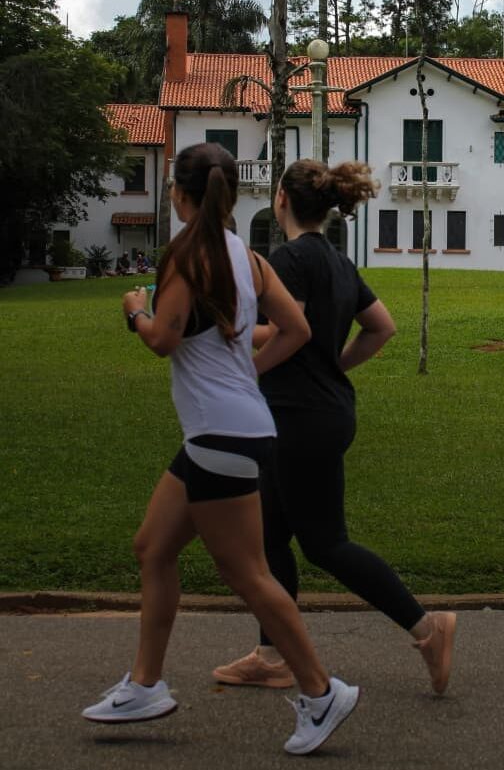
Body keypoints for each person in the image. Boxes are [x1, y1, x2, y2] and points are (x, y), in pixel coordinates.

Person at [81, 143, 359, 756]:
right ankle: (144, 685)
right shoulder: (246, 257)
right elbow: (297, 330)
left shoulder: (186, 254)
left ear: (179, 194)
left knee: (249, 574)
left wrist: (134, 312)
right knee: (153, 547)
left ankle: (321, 692)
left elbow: (163, 339)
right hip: (233, 430)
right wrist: (246, 373)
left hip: (220, 435)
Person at [212, 159, 456, 696]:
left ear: (281, 199)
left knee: (325, 544)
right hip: (315, 411)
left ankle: (427, 628)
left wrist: (233, 337)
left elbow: (288, 328)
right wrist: (334, 365)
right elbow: (381, 327)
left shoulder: (289, 258)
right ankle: (273, 655)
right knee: (270, 535)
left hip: (300, 416)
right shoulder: (339, 262)